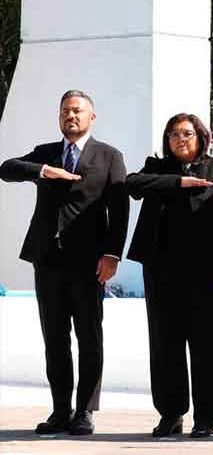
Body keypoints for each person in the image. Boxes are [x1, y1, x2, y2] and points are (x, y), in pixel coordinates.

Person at [0, 90, 129, 436]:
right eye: (65, 111)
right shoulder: (46, 154)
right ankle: (60, 409)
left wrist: (112, 255)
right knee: (54, 338)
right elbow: (7, 169)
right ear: (59, 117)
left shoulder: (109, 156)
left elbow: (119, 211)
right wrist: (43, 171)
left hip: (89, 263)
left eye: (77, 111)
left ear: (91, 117)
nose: (71, 116)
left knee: (89, 336)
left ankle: (84, 410)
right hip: (48, 260)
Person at [126, 113, 213, 438]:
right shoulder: (156, 167)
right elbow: (132, 184)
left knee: (208, 346)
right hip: (162, 271)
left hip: (209, 274)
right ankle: (171, 414)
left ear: (201, 137)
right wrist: (178, 182)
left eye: (188, 133)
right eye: (174, 134)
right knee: (165, 345)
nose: (181, 139)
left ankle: (207, 416)